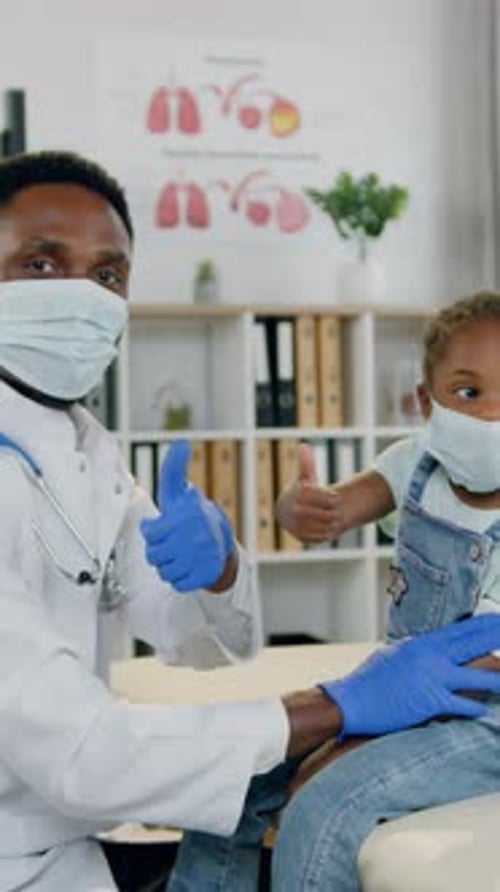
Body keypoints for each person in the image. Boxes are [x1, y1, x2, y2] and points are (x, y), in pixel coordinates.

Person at [0, 152, 499, 892]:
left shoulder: (82, 449)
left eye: (108, 276)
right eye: (41, 265)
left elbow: (203, 640)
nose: (83, 296)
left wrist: (221, 568)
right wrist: (337, 712)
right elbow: (83, 751)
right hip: (27, 841)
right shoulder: (417, 462)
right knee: (255, 802)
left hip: (64, 838)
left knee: (282, 805)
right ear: (424, 403)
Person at [266, 290, 500, 890]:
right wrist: (299, 509)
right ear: (428, 401)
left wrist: (361, 733)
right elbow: (331, 512)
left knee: (325, 805)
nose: (491, 414)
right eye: (468, 393)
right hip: (402, 691)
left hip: (484, 720)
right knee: (251, 767)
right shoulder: (415, 462)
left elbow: (485, 664)